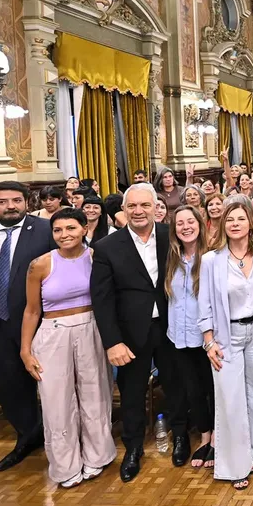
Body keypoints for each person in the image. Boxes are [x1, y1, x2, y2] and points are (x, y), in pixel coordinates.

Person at [18, 207, 115, 487]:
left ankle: (98, 455)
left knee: (96, 394)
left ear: (85, 228)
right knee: (56, 401)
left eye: (71, 228)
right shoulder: (40, 265)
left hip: (92, 328)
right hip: (53, 333)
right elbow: (31, 311)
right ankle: (65, 466)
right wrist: (25, 351)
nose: (64, 235)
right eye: (57, 230)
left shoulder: (97, 258)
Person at [90, 183, 172, 482]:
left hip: (171, 328)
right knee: (133, 393)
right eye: (132, 206)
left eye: (145, 205)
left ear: (155, 208)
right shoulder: (106, 247)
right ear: (123, 210)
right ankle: (134, 448)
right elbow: (102, 299)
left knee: (176, 385)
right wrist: (113, 342)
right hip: (131, 334)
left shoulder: (171, 236)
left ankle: (180, 437)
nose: (138, 211)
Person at [199, 196, 253, 490]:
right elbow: (204, 303)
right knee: (230, 397)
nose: (235, 224)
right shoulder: (211, 260)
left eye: (240, 218)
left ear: (251, 223)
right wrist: (209, 341)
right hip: (227, 334)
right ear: (223, 224)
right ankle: (234, 465)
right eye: (229, 219)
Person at [0, 182, 52, 471]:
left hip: (43, 321)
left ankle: (61, 437)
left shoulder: (46, 230)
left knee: (52, 381)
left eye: (17, 200)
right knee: (12, 386)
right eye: (3, 202)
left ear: (26, 202)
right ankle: (27, 437)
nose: (10, 206)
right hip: (0, 322)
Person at [164, 205, 215, 469]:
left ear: (200, 224)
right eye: (180, 223)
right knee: (193, 391)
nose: (186, 227)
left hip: (207, 337)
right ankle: (204, 435)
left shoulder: (213, 256)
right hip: (179, 336)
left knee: (213, 389)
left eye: (190, 222)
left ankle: (217, 438)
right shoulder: (171, 258)